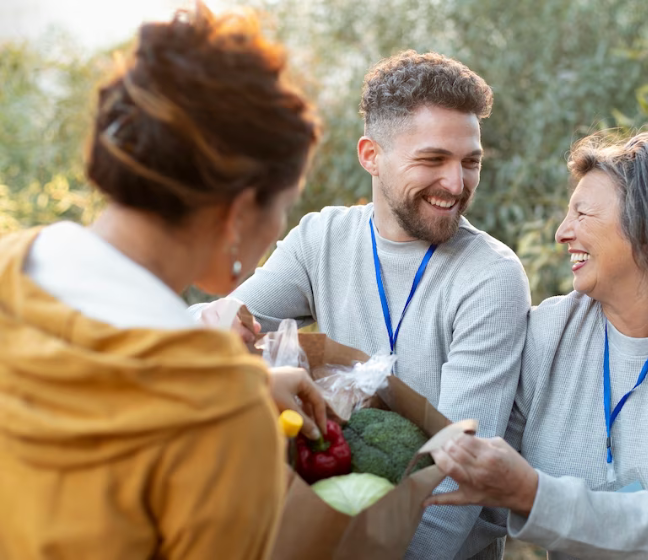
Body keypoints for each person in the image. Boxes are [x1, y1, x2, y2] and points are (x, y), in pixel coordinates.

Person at [0, 4, 324, 559]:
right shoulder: (216, 412)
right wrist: (231, 399)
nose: (278, 230)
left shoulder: (12, 262)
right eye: (284, 206)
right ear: (240, 209)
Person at [192, 50, 531, 559]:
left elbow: (452, 487)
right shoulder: (322, 238)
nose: (456, 185)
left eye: (470, 162)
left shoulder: (490, 277)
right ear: (371, 155)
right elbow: (218, 331)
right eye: (433, 160)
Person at [426, 132, 648, 559]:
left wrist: (530, 492)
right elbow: (477, 492)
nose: (562, 232)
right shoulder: (548, 334)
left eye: (582, 213)